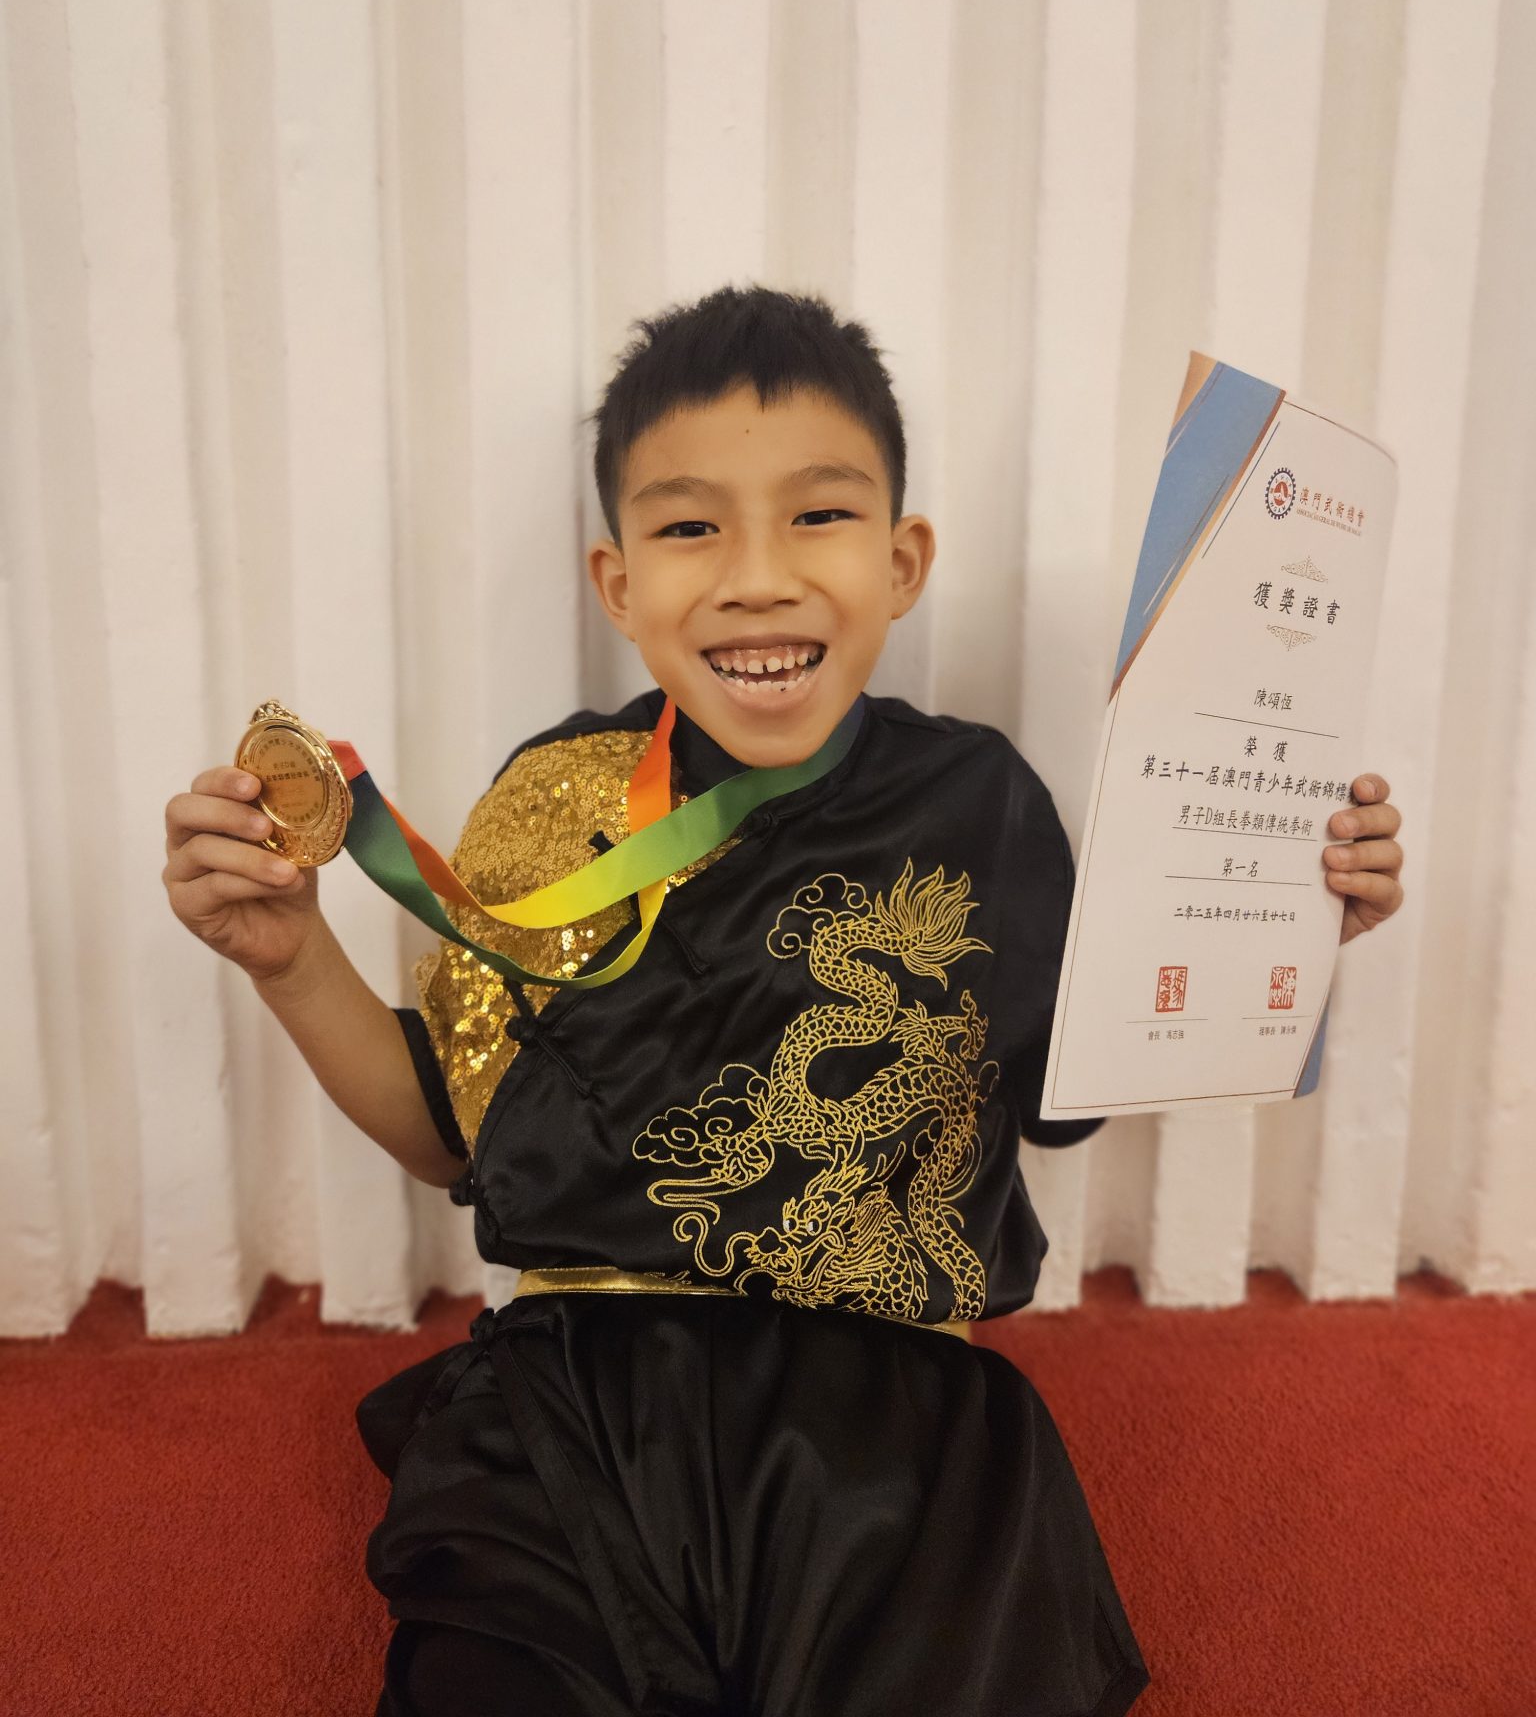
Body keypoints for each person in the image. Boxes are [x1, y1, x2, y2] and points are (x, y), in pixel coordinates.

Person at [162, 287, 1407, 1716]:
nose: (756, 578)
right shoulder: (553, 799)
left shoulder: (981, 801)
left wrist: (1282, 912)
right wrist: (288, 955)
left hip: (898, 1440)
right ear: (617, 582)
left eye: (818, 515)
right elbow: (450, 1135)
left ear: (902, 560)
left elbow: (1073, 1093)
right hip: (574, 1406)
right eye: (690, 528)